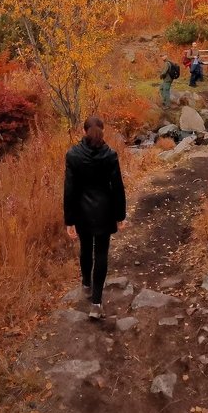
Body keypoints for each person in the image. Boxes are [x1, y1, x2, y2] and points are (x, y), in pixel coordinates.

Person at [63, 116, 127, 320]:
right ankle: (97, 304)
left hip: (82, 211)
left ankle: (86, 285)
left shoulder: (73, 155)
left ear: (83, 132)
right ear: (103, 132)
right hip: (104, 211)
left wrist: (69, 219)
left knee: (85, 248)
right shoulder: (110, 155)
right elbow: (117, 188)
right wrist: (120, 215)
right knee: (101, 253)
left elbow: (70, 190)